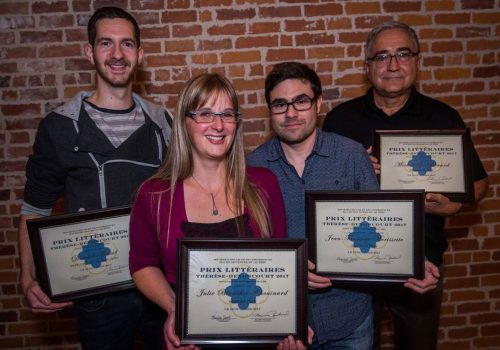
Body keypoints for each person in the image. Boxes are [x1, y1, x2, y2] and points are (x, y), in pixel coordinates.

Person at [322, 21, 489, 350]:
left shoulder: (444, 118)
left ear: (417, 61)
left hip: (420, 268)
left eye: (403, 54)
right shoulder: (340, 120)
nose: (393, 65)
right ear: (367, 66)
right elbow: (321, 187)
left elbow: (478, 183)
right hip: (356, 267)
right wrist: (355, 171)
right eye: (382, 56)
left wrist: (453, 205)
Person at [18, 7, 172, 350]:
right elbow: (34, 208)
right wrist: (27, 277)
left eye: (127, 44)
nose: (117, 54)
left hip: (159, 288)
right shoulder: (59, 126)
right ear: (89, 52)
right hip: (98, 292)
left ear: (140, 54)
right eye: (106, 43)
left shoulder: (163, 123)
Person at [129, 73, 307, 350]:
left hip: (258, 336)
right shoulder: (154, 195)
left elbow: (282, 265)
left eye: (227, 114)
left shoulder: (264, 184)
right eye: (205, 113)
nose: (219, 125)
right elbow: (143, 264)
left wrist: (290, 320)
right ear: (184, 123)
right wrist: (177, 310)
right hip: (190, 340)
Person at [246, 61, 380, 350]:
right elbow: (249, 247)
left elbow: (376, 229)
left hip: (350, 318)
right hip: (284, 323)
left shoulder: (352, 155)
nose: (291, 113)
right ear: (270, 110)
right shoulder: (253, 167)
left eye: (301, 101)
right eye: (280, 104)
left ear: (318, 103)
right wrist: (291, 269)